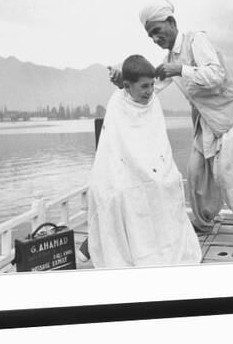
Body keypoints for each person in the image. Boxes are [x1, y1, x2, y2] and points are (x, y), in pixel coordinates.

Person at [110, 0, 233, 258]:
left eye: (158, 31)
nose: (155, 38)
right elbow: (149, 90)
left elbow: (216, 74)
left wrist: (181, 69)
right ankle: (204, 222)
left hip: (232, 115)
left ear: (172, 23)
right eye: (150, 35)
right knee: (195, 173)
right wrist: (123, 83)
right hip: (207, 122)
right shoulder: (169, 59)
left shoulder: (196, 41)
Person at [86, 55, 202, 268]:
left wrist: (155, 172)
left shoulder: (153, 101)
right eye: (144, 87)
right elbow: (115, 148)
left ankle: (162, 246)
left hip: (154, 168)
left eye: (152, 85)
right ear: (127, 86)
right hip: (122, 171)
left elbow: (158, 143)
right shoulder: (117, 103)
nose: (150, 91)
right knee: (120, 193)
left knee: (169, 183)